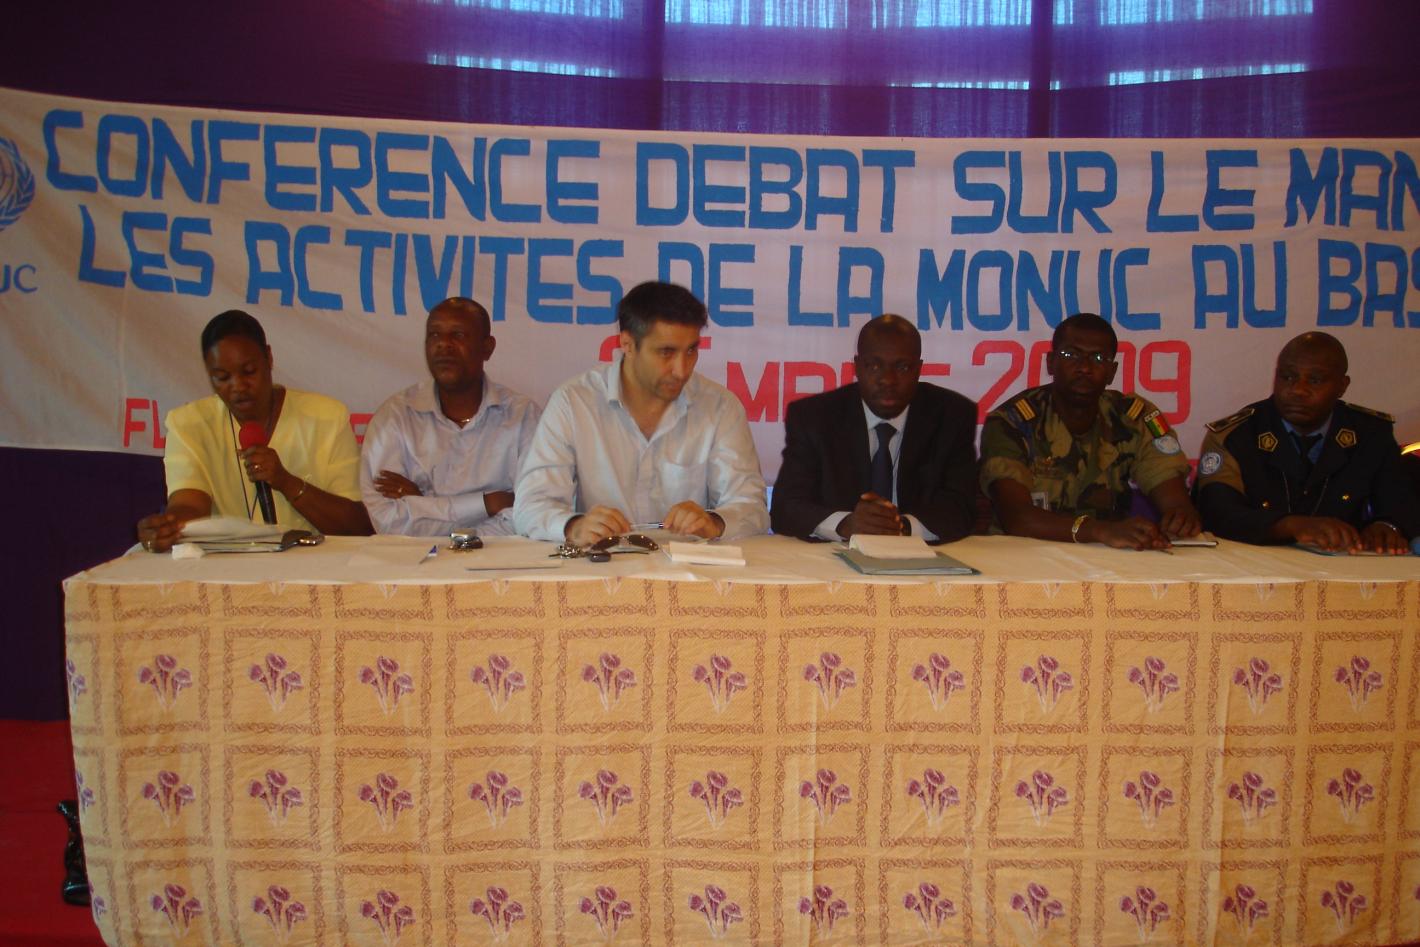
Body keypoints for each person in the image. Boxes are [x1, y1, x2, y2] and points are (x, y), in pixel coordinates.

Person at [513, 281, 768, 544]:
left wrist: (715, 522)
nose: (682, 370)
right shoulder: (574, 402)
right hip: (603, 562)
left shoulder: (720, 407)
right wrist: (573, 526)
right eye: (666, 352)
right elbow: (531, 505)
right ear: (627, 344)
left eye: (691, 350)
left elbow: (752, 507)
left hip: (688, 564)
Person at [135, 310, 371, 552]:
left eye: (248, 371)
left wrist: (286, 482)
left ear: (268, 358)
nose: (238, 386)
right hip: (227, 566)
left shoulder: (327, 417)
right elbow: (190, 505)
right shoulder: (188, 424)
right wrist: (168, 527)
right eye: (222, 377)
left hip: (315, 563)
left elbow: (357, 526)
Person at [979, 312, 1200, 549]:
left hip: (1109, 555)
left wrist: (1180, 518)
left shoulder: (1134, 418)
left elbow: (1173, 498)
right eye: (1071, 355)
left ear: (1112, 371)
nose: (1084, 367)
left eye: (1098, 358)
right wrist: (1099, 530)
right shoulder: (1012, 421)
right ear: (1051, 362)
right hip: (1025, 554)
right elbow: (1018, 519)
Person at [1195, 331, 1419, 553]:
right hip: (1256, 562)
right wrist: (1290, 526)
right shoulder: (1236, 436)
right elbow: (1217, 512)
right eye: (1287, 377)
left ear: (1342, 386)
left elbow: (1401, 500)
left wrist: (1388, 526)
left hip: (1346, 563)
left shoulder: (1370, 434)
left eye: (1315, 380)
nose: (1298, 390)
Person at [770, 314, 977, 542]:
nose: (888, 380)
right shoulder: (814, 417)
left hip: (921, 554)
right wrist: (844, 524)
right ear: (857, 367)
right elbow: (785, 507)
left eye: (902, 367)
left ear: (918, 369)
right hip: (835, 555)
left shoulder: (952, 416)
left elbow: (963, 507)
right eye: (875, 366)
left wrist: (902, 527)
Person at [361, 297, 540, 536]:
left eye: (458, 335)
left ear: (487, 348)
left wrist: (423, 504)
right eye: (434, 334)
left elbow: (531, 512)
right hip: (414, 560)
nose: (444, 344)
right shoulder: (395, 417)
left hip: (500, 559)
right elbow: (388, 520)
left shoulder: (523, 416)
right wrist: (488, 503)